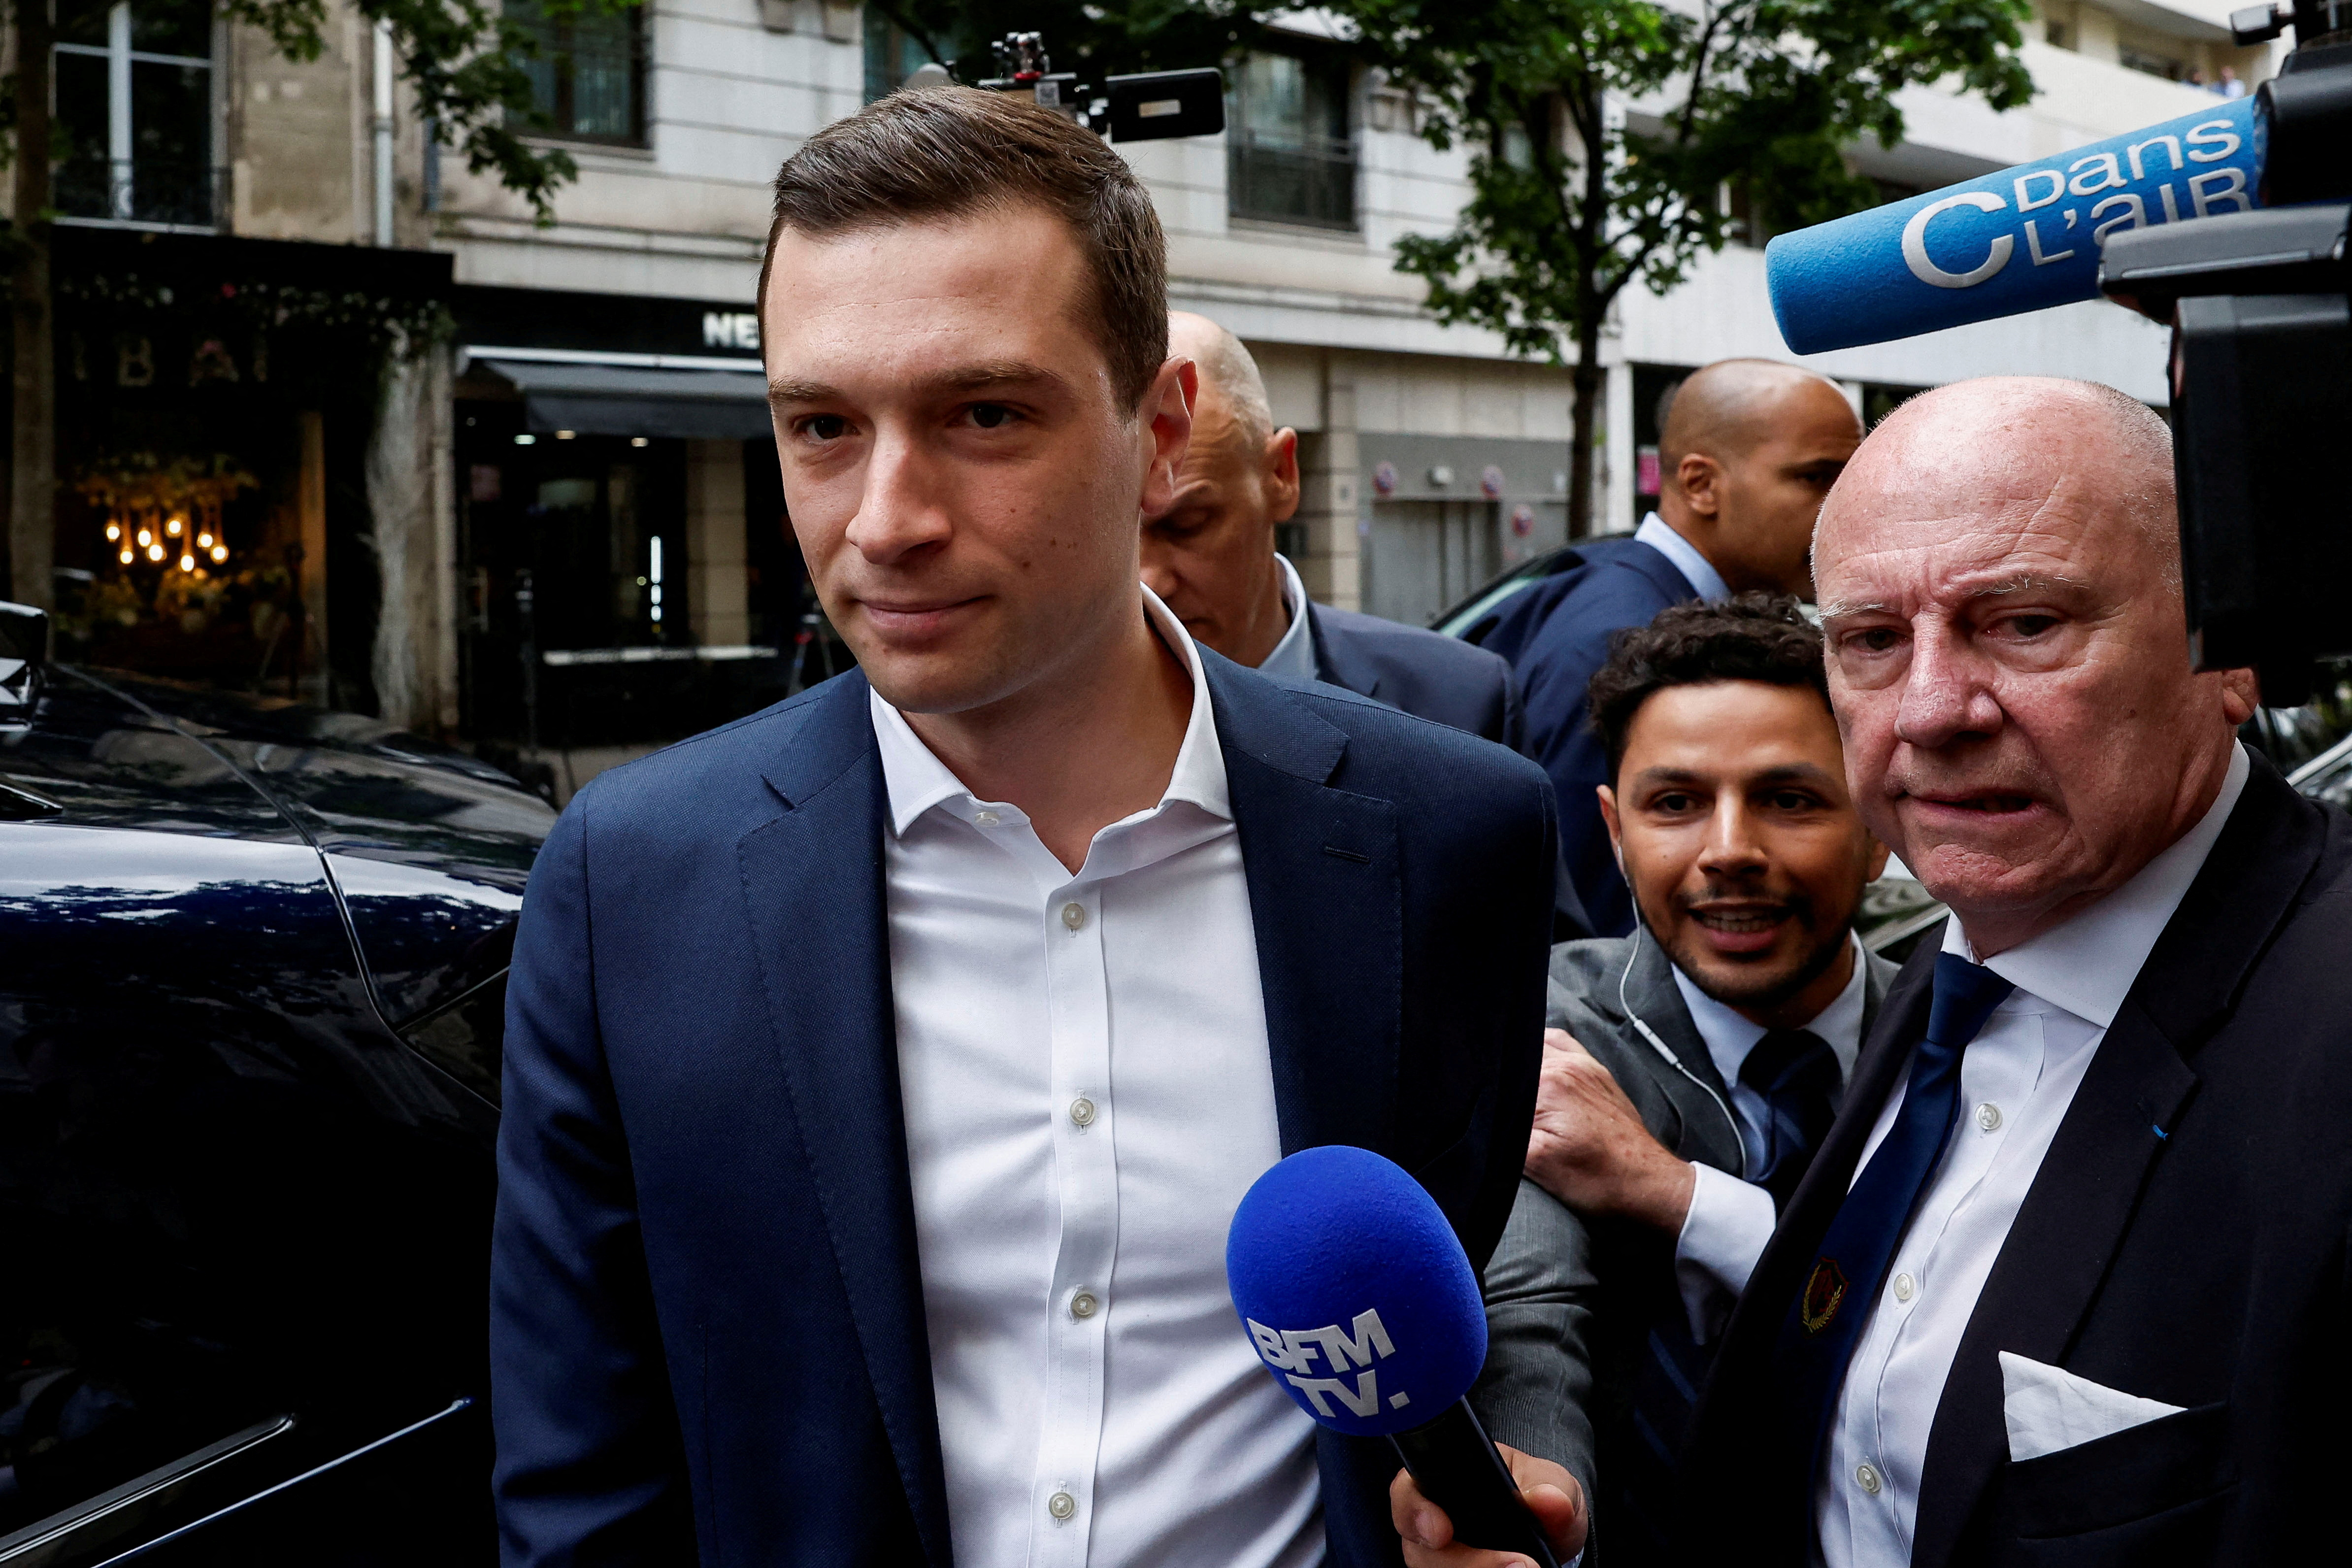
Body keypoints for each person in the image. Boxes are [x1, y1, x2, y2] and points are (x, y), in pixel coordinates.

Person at [489, 85, 1571, 1568]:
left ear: (1160, 428)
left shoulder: (1453, 836)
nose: (884, 517)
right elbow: (582, 1480)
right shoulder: (630, 878)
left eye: (982, 414)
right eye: (821, 425)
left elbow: (1448, 1303)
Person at [1681, 377, 2352, 1566]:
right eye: (1872, 640)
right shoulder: (1948, 962)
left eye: (2025, 622)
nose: (1932, 710)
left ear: (2229, 656)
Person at [1390, 595, 1897, 1568]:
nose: (1727, 851)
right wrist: (1538, 1501)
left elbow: (1956, 1325)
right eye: (1674, 804)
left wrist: (1674, 1195)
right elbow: (1529, 1308)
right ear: (1612, 832)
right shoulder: (1537, 1033)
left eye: (1788, 799)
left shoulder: (1956, 1042)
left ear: (1877, 823)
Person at [1481, 361, 1860, 937]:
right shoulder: (1620, 642)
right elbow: (1593, 928)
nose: (1842, 508)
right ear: (1699, 484)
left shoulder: (1600, 596)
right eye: (1815, 478)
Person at [1143, 312, 1524, 747]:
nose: (1148, 580)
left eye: (1187, 524)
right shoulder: (1053, 727)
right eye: (1115, 538)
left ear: (1281, 475)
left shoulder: (1459, 703)